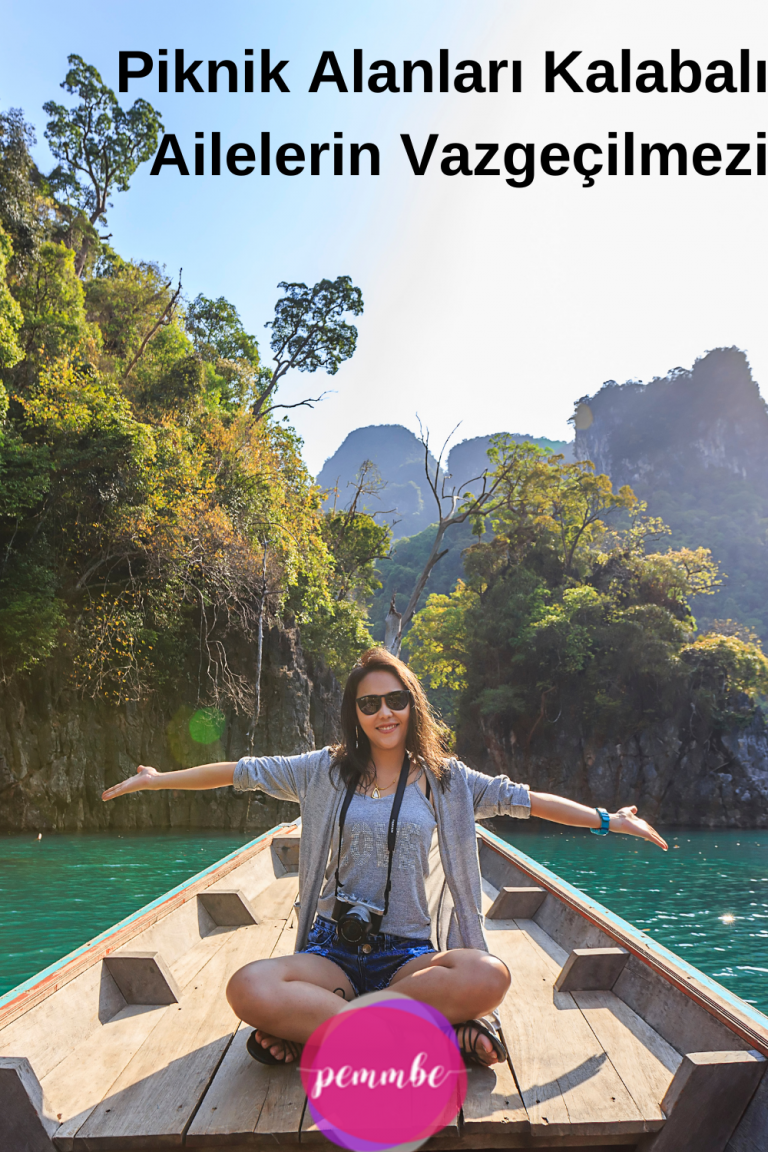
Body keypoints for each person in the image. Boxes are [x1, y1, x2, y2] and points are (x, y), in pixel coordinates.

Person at [102, 646, 667, 1068]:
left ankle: (321, 1033)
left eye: (395, 700)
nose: (384, 713)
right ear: (356, 712)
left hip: (407, 959)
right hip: (334, 954)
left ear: (411, 704)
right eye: (369, 703)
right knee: (246, 987)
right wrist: (157, 781)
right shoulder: (322, 770)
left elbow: (527, 801)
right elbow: (238, 771)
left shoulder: (450, 782)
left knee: (487, 974)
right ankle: (421, 1035)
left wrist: (608, 820)